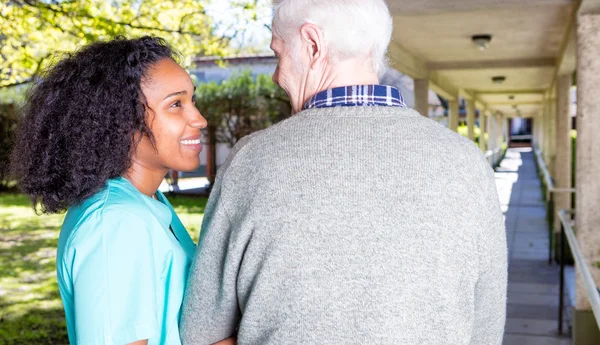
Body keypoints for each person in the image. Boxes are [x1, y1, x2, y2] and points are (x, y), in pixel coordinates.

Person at [180, 0, 507, 344]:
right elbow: (485, 328)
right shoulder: (468, 163)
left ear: (312, 44)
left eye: (278, 54)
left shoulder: (250, 162)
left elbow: (200, 333)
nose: (277, 76)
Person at [10, 36, 233, 345]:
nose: (199, 119)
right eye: (176, 104)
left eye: (192, 100)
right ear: (122, 121)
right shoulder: (114, 222)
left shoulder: (146, 203)